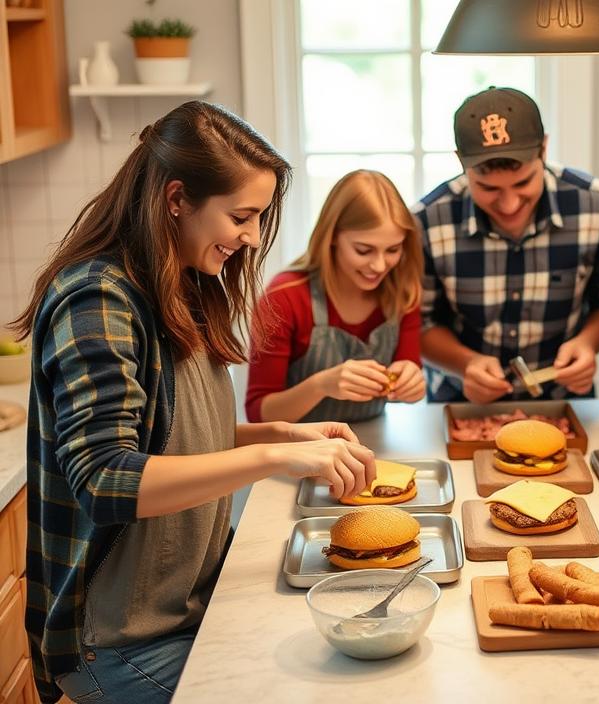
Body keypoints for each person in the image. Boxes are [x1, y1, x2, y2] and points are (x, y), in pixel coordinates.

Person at [11, 101, 377, 704]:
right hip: (118, 642)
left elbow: (172, 437)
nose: (254, 236)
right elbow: (106, 480)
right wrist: (270, 463)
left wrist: (281, 437)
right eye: (242, 215)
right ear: (177, 199)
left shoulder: (181, 282)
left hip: (184, 609)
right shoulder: (97, 300)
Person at [413, 86, 599, 403]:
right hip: (460, 402)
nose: (509, 204)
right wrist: (466, 363)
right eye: (487, 188)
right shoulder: (428, 220)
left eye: (524, 182)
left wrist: (588, 343)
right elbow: (418, 323)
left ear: (543, 149)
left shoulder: (598, 206)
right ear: (461, 163)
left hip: (565, 402)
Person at [246, 170, 425, 424]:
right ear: (332, 238)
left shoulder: (403, 293)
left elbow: (408, 371)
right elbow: (259, 414)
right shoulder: (284, 299)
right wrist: (321, 385)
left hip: (373, 442)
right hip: (298, 452)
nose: (379, 265)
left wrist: (412, 382)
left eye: (393, 250)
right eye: (364, 250)